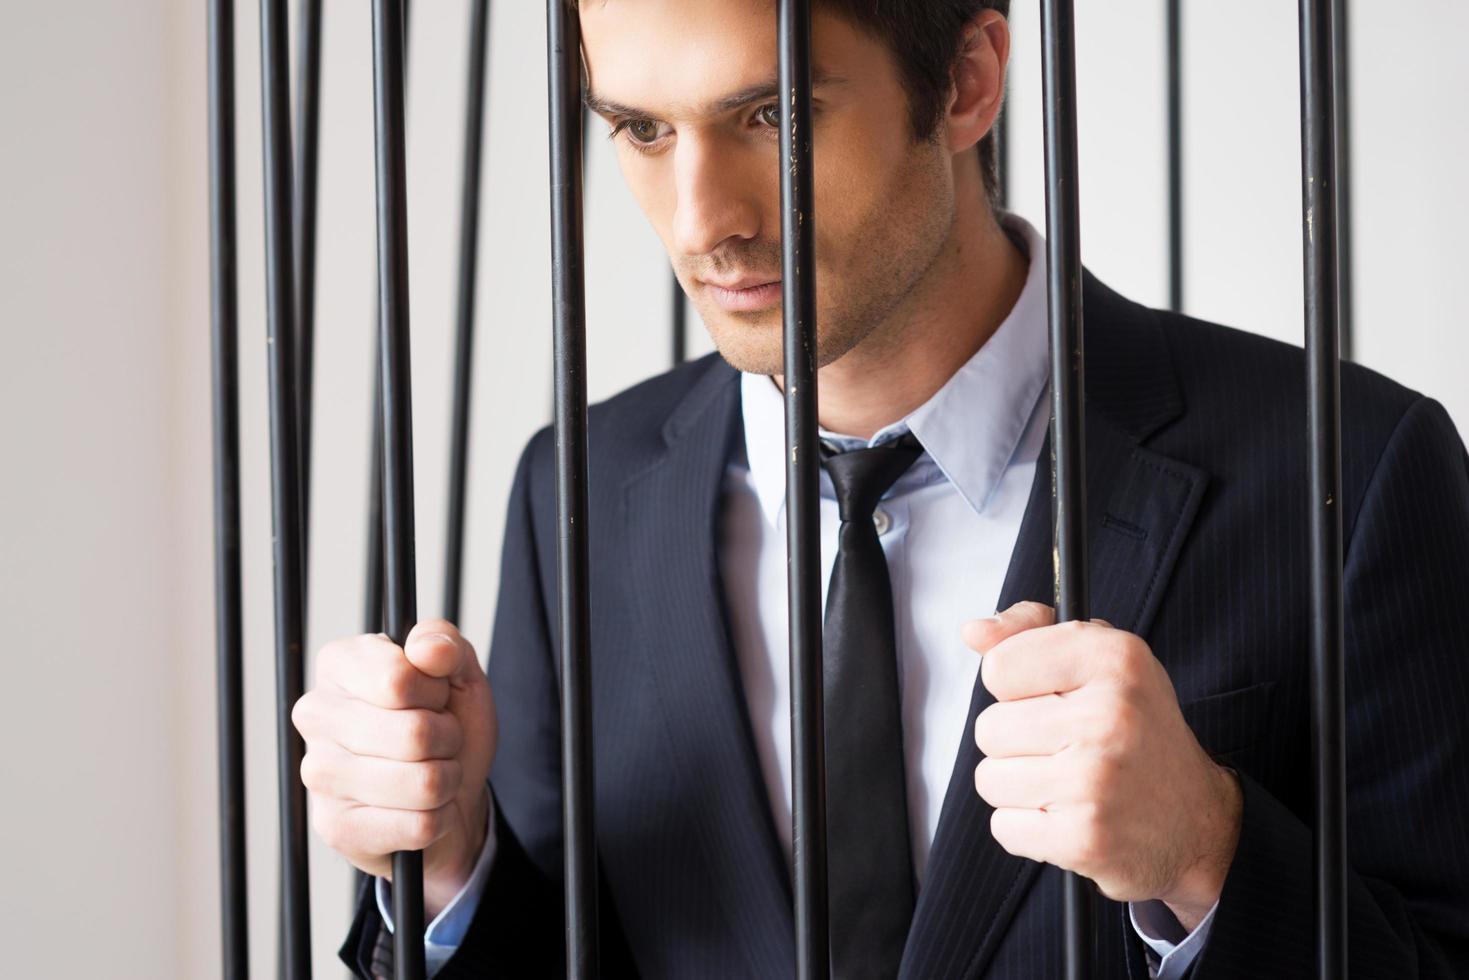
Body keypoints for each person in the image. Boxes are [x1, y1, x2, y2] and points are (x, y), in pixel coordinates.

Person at [291, 1, 1469, 977]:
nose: (703, 221)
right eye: (642, 130)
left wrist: (1206, 853)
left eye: (772, 113)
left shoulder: (1348, 468)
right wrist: (445, 864)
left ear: (965, 80)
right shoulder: (582, 491)